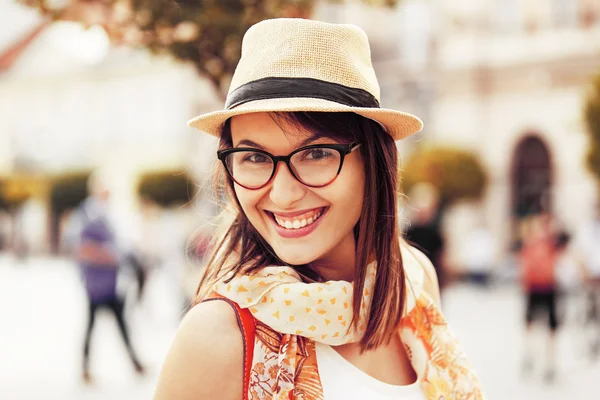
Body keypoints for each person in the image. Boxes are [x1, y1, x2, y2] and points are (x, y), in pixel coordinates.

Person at [154, 19, 483, 400]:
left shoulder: (413, 280)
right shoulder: (217, 336)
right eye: (255, 157)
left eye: (316, 153)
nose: (283, 193)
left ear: (373, 162)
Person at [70, 170, 146, 383]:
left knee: (117, 323)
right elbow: (82, 248)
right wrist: (110, 257)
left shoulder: (106, 213)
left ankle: (135, 364)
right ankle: (88, 368)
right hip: (97, 283)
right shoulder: (87, 214)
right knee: (95, 324)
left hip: (111, 282)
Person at [519, 212, 561, 382]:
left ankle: (548, 361)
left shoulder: (551, 242)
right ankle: (530, 353)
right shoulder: (531, 242)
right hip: (534, 287)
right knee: (531, 324)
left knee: (550, 326)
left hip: (547, 286)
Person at [404, 183, 446, 289]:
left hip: (431, 276)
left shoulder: (435, 232)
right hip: (413, 277)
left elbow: (441, 257)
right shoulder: (409, 231)